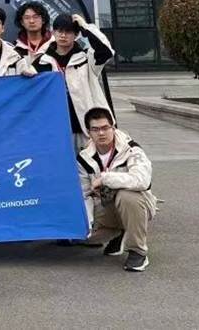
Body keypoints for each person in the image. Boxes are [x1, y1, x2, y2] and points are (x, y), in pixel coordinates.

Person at [77, 107, 157, 273]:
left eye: (105, 128)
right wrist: (87, 225)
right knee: (81, 238)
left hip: (137, 206)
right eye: (95, 129)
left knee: (127, 195)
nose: (101, 133)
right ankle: (119, 233)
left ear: (113, 127)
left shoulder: (132, 149)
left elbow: (142, 180)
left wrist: (105, 179)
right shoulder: (83, 158)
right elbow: (84, 195)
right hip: (104, 208)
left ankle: (138, 251)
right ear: (88, 133)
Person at [34, 13, 115, 150]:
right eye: (59, 31)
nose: (63, 35)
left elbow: (106, 51)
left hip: (87, 130)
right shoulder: (41, 62)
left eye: (68, 31)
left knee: (90, 164)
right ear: (53, 32)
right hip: (55, 131)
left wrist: (85, 27)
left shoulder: (87, 59)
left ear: (76, 35)